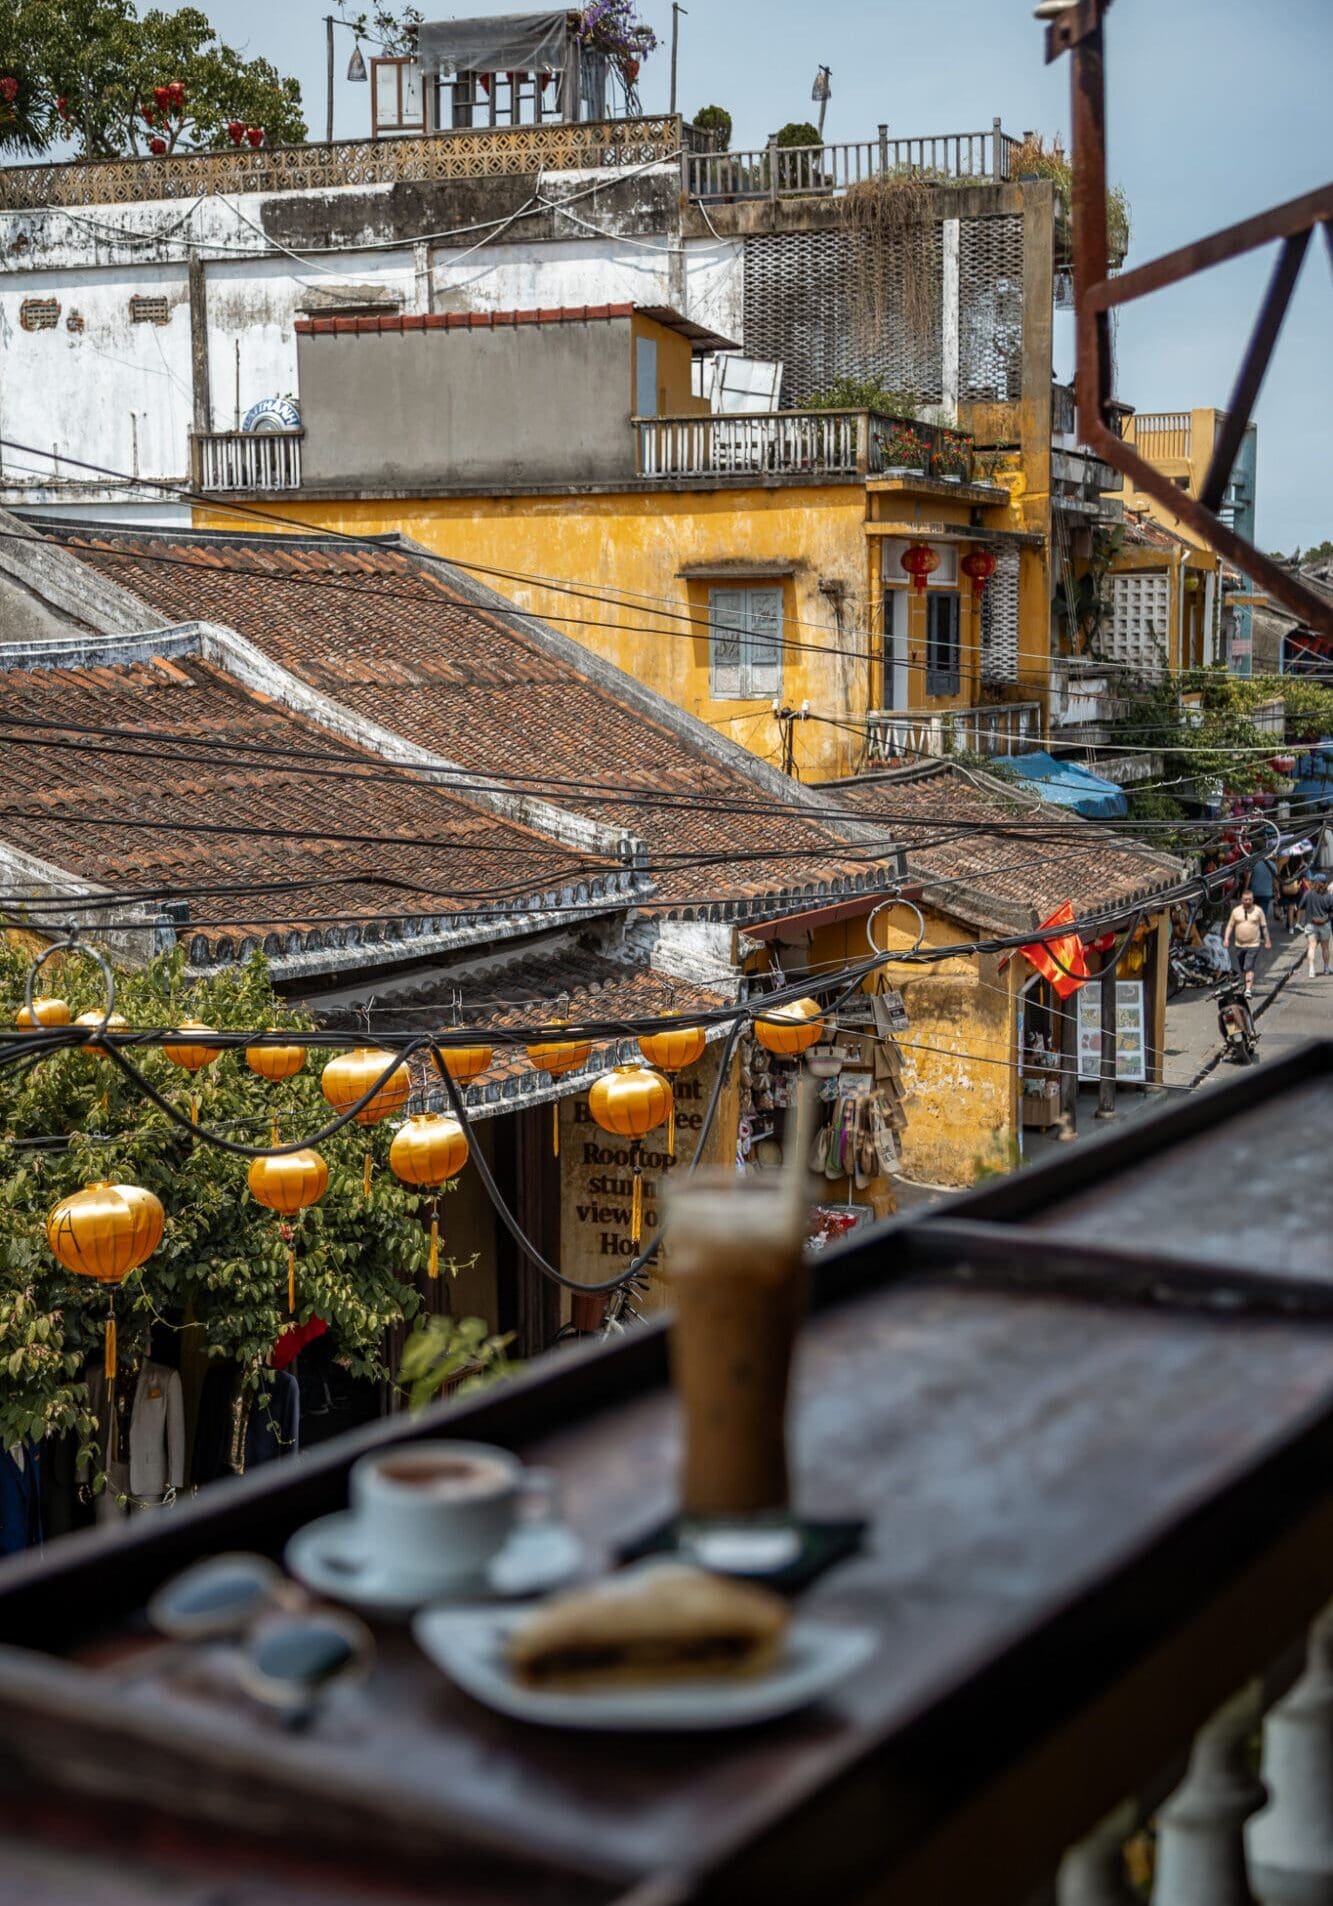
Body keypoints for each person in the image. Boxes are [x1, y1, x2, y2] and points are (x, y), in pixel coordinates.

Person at [1223, 886, 1271, 998]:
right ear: (1241, 900)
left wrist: (1267, 940)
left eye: (1250, 899)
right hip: (1239, 945)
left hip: (1253, 944)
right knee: (1243, 967)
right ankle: (1246, 985)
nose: (1248, 901)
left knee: (1248, 966)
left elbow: (1264, 926)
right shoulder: (1236, 911)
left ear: (1253, 899)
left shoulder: (1258, 911)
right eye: (1246, 899)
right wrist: (1226, 939)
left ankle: (1248, 990)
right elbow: (1230, 926)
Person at [1299, 873, 1333, 979]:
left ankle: (1311, 970)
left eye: (1314, 881)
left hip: (1311, 924)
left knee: (1311, 947)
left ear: (1316, 883)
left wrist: (1300, 922)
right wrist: (1325, 919)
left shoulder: (1308, 894)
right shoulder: (1329, 896)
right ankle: (1326, 968)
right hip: (1325, 924)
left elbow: (1301, 907)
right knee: (1325, 947)